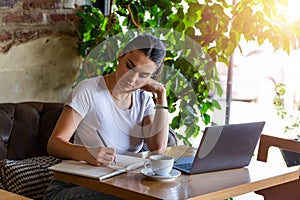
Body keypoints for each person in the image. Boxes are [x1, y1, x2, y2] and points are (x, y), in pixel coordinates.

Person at [43, 34, 169, 200]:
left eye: (143, 75)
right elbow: (54, 144)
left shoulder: (143, 99)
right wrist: (87, 154)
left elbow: (158, 148)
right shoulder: (88, 90)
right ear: (121, 54)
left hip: (121, 184)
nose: (131, 79)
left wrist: (161, 95)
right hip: (73, 187)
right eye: (129, 66)